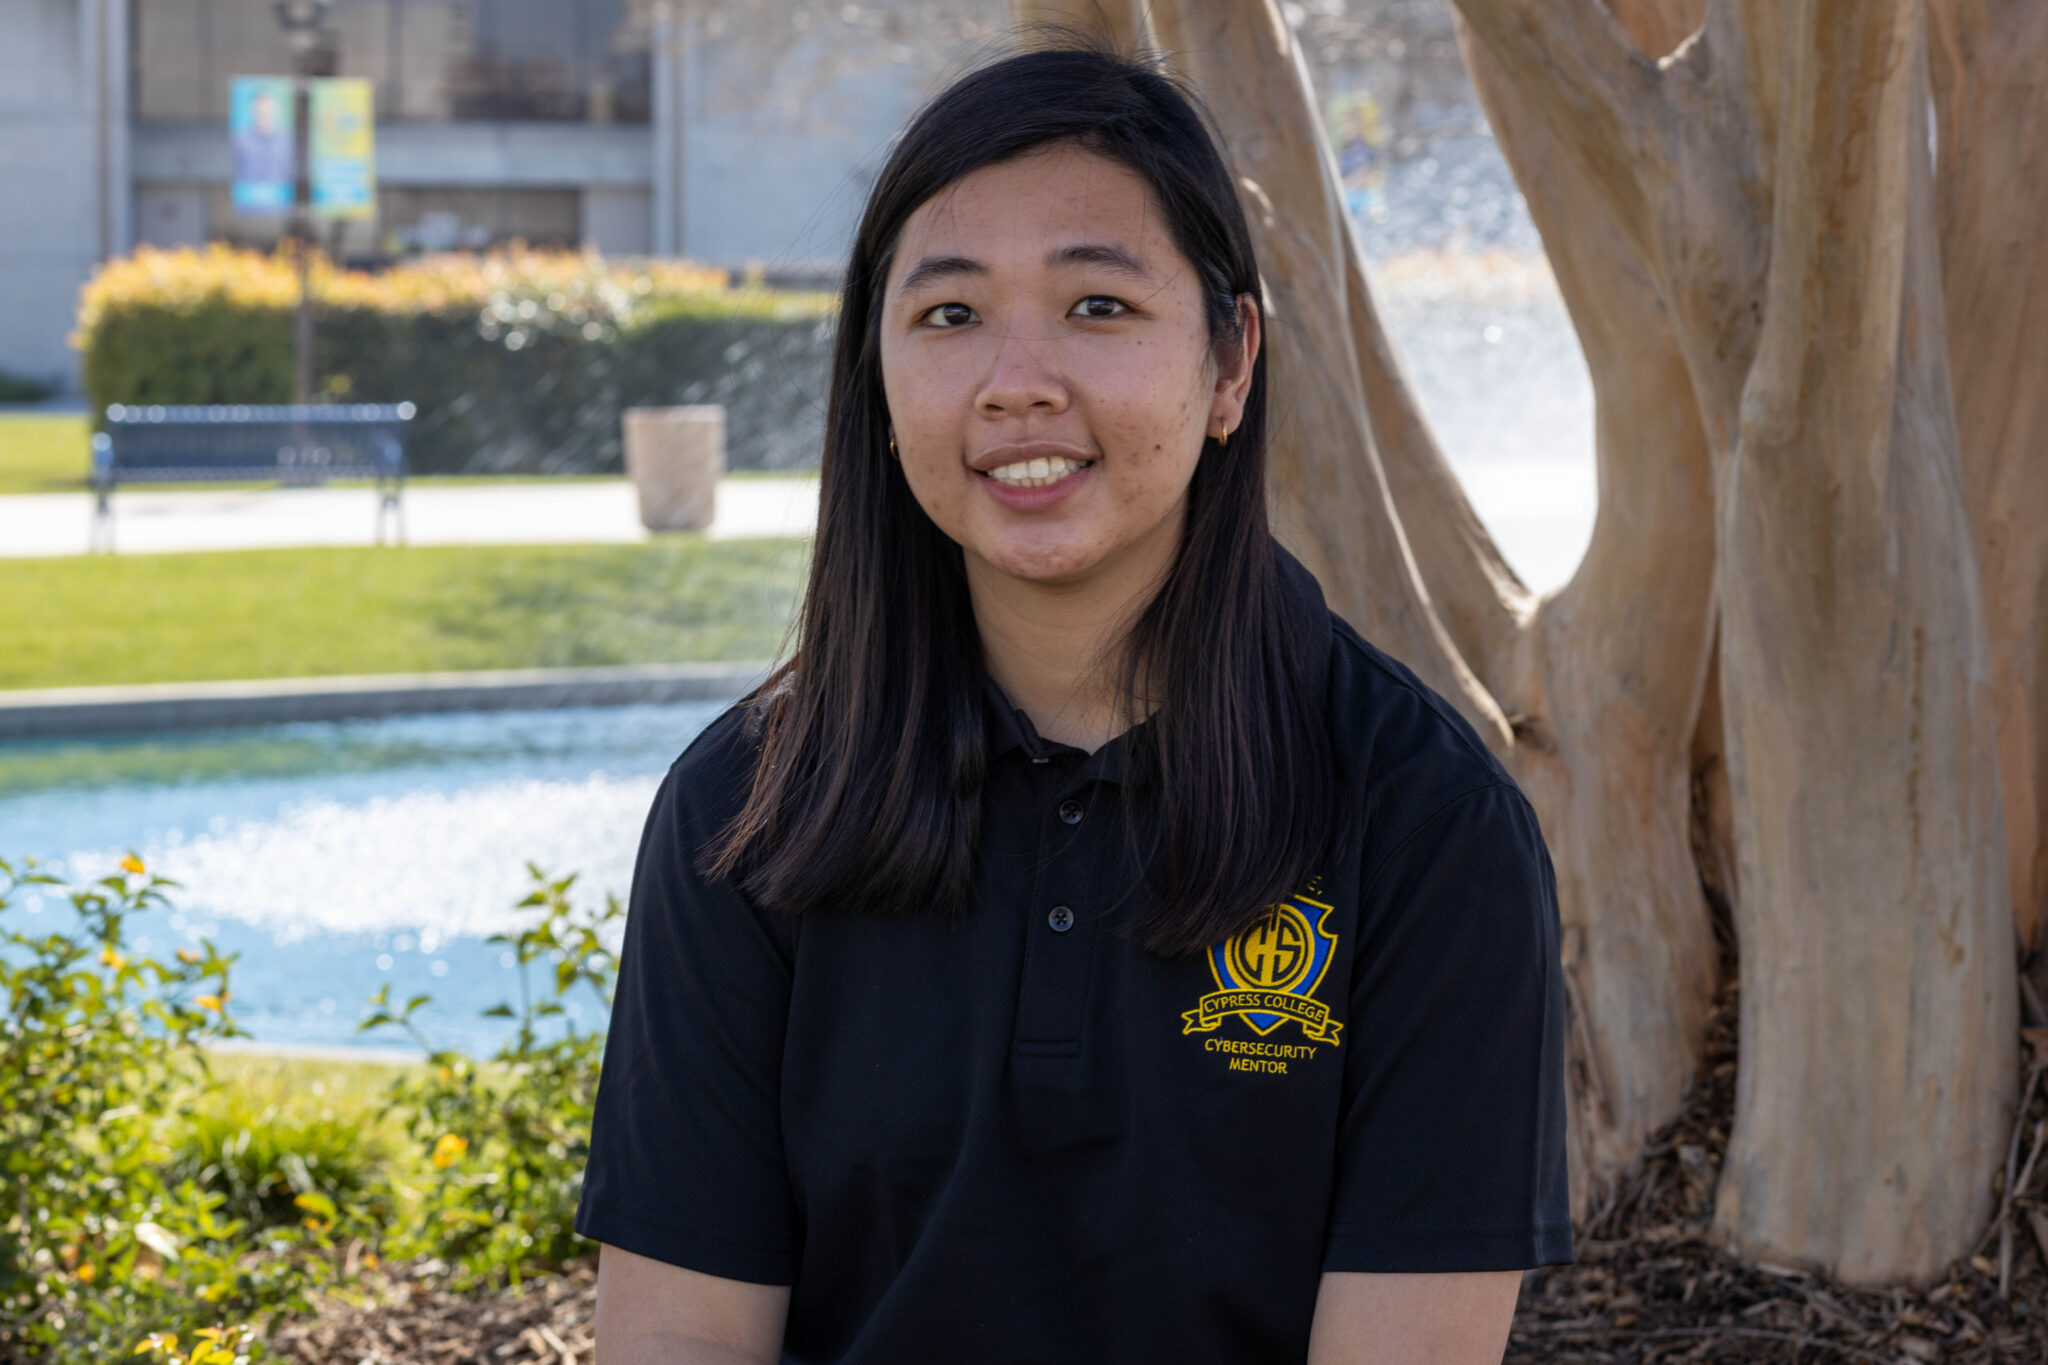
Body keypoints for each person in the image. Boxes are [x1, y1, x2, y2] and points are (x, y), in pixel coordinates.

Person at [576, 44, 1571, 1365]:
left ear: (1230, 367)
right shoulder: (749, 808)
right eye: (949, 315)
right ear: (875, 379)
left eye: (1098, 306)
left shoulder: (1426, 825)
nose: (1018, 380)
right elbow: (681, 1338)